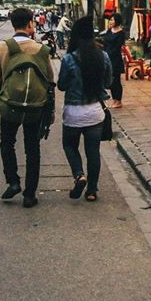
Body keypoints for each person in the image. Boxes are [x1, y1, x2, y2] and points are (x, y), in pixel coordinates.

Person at [0, 8, 54, 208]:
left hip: (9, 106)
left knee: (7, 143)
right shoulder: (41, 50)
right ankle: (30, 194)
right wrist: (51, 112)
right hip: (35, 108)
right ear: (30, 23)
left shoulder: (2, 48)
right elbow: (50, 82)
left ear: (13, 24)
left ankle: (13, 181)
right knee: (33, 149)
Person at [57, 16, 112, 203]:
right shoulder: (103, 56)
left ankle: (79, 175)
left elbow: (61, 86)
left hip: (73, 113)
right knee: (93, 151)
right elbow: (108, 82)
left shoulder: (69, 59)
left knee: (69, 146)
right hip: (95, 111)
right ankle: (92, 190)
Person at [100, 12, 126, 108]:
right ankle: (114, 99)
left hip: (115, 59)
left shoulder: (121, 33)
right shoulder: (109, 31)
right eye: (110, 20)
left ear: (117, 21)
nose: (110, 21)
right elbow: (105, 43)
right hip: (107, 58)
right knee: (110, 79)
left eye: (112, 20)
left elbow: (117, 47)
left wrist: (109, 54)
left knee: (116, 80)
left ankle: (118, 100)